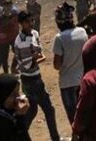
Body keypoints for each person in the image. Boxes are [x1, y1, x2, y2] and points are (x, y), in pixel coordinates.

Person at [12, 10, 60, 141]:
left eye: (32, 20)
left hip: (32, 77)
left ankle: (19, 134)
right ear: (21, 24)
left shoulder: (34, 33)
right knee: (48, 109)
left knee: (32, 110)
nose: (31, 23)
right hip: (31, 79)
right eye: (27, 21)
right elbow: (29, 65)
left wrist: (37, 58)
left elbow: (38, 53)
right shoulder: (22, 42)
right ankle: (55, 138)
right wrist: (38, 58)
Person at [51, 2, 88, 125]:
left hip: (67, 83)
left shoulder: (59, 38)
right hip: (84, 79)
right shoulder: (82, 31)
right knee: (87, 116)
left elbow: (57, 65)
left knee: (74, 120)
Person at [0, 0, 19, 74]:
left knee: (17, 52)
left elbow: (18, 23)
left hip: (13, 36)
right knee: (2, 54)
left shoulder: (14, 12)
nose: (0, 2)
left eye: (1, 1)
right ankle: (0, 69)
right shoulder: (0, 10)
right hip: (4, 37)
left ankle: (13, 68)